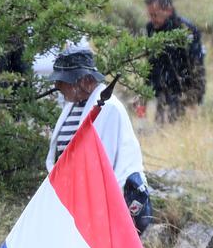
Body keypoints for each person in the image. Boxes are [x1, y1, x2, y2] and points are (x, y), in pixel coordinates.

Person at [46, 47, 152, 233]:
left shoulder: (108, 108)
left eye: (63, 80)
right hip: (74, 202)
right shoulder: (73, 105)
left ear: (85, 81)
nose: (57, 85)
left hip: (102, 207)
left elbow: (103, 165)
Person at [143, 0, 206, 124]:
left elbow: (196, 63)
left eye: (155, 14)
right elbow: (151, 62)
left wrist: (195, 95)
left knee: (180, 129)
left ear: (169, 10)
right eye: (150, 15)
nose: (152, 19)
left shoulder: (185, 29)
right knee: (161, 129)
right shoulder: (151, 29)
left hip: (183, 90)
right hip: (160, 90)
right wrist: (145, 91)